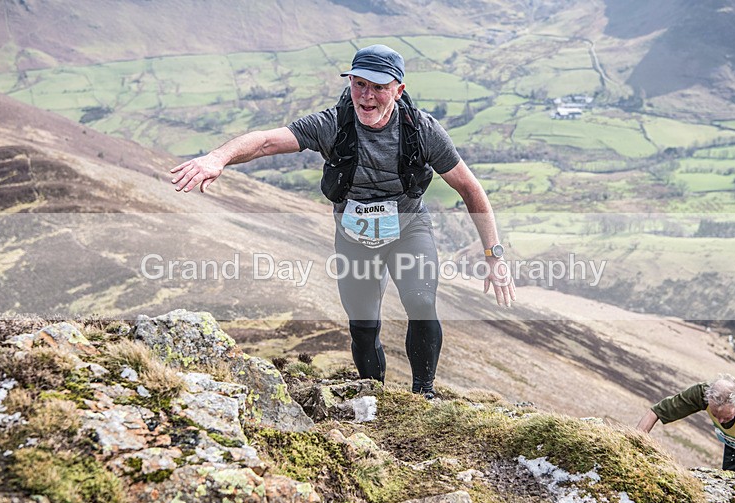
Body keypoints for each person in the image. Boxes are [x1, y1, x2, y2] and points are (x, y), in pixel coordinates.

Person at [169, 44, 516, 399]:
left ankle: (423, 394)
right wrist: (218, 157)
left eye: (379, 88)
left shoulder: (422, 130)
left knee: (421, 303)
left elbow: (470, 189)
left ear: (399, 90)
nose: (367, 96)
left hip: (409, 229)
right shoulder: (332, 124)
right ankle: (374, 398)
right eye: (359, 84)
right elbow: (266, 143)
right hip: (354, 238)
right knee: (363, 327)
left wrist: (494, 254)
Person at [637, 374, 735, 475]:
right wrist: (634, 443)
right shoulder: (703, 393)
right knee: (729, 482)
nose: (720, 421)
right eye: (715, 415)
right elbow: (655, 412)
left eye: (726, 417)